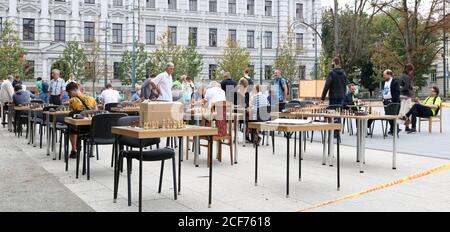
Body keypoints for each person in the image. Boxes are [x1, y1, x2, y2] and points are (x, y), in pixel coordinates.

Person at [66, 82, 97, 158]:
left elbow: (72, 113)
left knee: (70, 128)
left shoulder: (72, 100)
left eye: (69, 93)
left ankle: (74, 150)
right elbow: (96, 111)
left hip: (78, 128)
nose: (69, 95)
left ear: (71, 91)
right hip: (91, 128)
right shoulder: (91, 98)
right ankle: (91, 150)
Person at [367, 69, 401, 135]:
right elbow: (385, 91)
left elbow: (397, 92)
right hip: (386, 101)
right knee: (388, 116)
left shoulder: (395, 82)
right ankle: (393, 129)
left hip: (393, 101)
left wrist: (392, 100)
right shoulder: (385, 82)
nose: (384, 77)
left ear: (389, 75)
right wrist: (383, 98)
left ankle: (394, 130)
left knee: (392, 116)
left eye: (384, 75)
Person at [399, 63, 414, 132]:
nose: (412, 72)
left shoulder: (402, 76)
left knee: (402, 111)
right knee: (408, 112)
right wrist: (410, 89)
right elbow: (406, 87)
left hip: (402, 96)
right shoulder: (407, 77)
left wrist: (411, 87)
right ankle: (407, 127)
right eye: (411, 70)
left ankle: (400, 126)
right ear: (409, 70)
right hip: (407, 96)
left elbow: (403, 85)